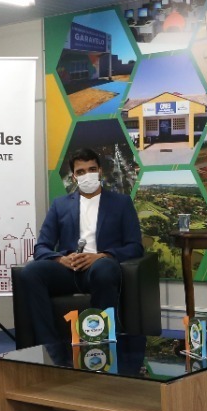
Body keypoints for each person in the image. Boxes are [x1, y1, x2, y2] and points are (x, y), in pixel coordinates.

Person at [16, 148, 143, 346]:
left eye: (92, 169)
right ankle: (48, 345)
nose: (87, 175)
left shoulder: (121, 203)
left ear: (100, 171)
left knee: (105, 269)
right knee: (30, 272)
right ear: (74, 177)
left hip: (100, 268)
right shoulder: (60, 205)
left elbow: (135, 246)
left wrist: (102, 256)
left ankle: (101, 341)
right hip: (68, 270)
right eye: (81, 172)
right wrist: (61, 259)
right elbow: (41, 247)